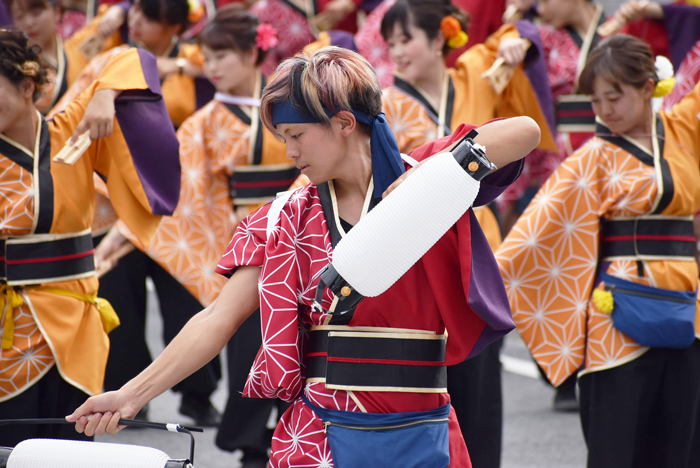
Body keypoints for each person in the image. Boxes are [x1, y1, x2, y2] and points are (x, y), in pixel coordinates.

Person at [67, 46, 541, 467]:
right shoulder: (284, 219)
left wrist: (435, 173)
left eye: (296, 134)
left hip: (424, 425)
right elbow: (216, 318)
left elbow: (524, 130)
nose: (290, 151)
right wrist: (130, 396)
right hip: (321, 435)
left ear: (343, 123)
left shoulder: (428, 185)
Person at [94, 6, 292, 461]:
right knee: (248, 347)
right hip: (256, 246)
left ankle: (296, 433)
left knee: (303, 343)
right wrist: (122, 235)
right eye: (208, 56)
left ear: (252, 54)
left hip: (305, 237)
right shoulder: (205, 121)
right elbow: (179, 191)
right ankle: (251, 445)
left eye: (223, 56)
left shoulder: (291, 105)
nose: (213, 66)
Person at [496, 34, 700, 468]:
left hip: (689, 308)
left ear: (649, 87)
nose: (604, 110)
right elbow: (531, 236)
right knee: (616, 449)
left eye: (615, 96)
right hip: (617, 318)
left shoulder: (683, 129)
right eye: (595, 99)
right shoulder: (592, 158)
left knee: (682, 446)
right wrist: (480, 288)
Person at [0, 28, 180, 446]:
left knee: (69, 450)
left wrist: (104, 95)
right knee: (11, 449)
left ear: (27, 86)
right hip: (9, 331)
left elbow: (136, 60)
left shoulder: (72, 131)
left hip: (73, 324)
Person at [46, 0, 222, 427]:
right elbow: (67, 60)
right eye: (136, 14)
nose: (138, 23)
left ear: (176, 25)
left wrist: (171, 66)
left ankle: (196, 395)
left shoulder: (196, 60)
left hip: (174, 198)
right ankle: (125, 395)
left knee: (185, 295)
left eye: (151, 17)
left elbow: (212, 76)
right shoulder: (110, 55)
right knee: (118, 295)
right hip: (112, 191)